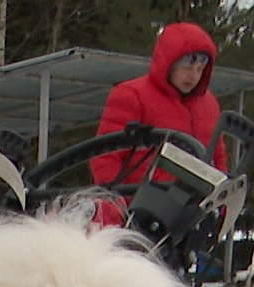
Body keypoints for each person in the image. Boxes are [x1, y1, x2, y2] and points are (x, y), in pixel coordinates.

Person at [89, 22, 228, 188]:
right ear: (169, 63)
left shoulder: (209, 104)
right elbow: (106, 155)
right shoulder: (132, 95)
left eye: (199, 69)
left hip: (197, 207)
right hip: (142, 205)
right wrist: (114, 200)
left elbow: (218, 157)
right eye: (187, 67)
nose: (193, 76)